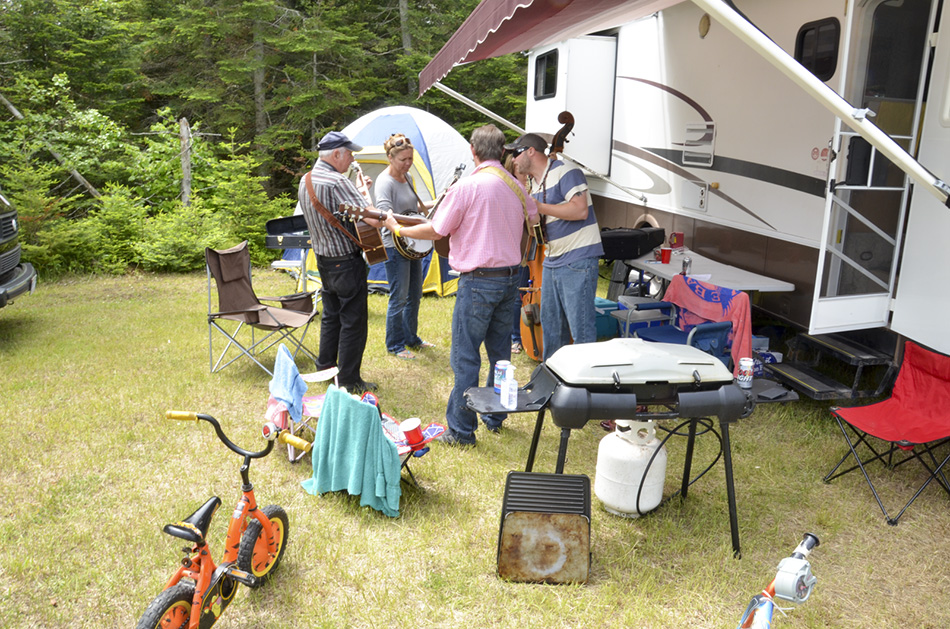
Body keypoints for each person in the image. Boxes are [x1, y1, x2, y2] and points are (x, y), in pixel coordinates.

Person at [383, 124, 538, 446]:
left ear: (473, 151)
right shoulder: (515, 186)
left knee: (466, 357)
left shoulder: (468, 187)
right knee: (500, 355)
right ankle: (495, 416)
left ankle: (461, 431)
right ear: (502, 152)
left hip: (480, 281)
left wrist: (398, 230)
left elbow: (437, 230)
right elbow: (533, 218)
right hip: (511, 279)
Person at [297, 130, 383, 394]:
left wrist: (358, 192)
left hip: (323, 259)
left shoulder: (307, 179)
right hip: (346, 261)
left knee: (332, 316)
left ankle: (324, 366)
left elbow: (334, 210)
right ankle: (349, 379)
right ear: (336, 154)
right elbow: (370, 219)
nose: (352, 158)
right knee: (353, 321)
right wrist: (386, 216)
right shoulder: (337, 181)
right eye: (349, 154)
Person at [508, 132, 604, 360]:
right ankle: (553, 380)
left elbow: (580, 210)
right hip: (552, 259)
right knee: (551, 327)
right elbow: (539, 228)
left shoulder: (566, 171)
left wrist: (539, 207)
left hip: (578, 260)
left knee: (580, 329)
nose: (513, 160)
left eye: (517, 153)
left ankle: (584, 385)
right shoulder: (536, 183)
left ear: (531, 151)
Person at [374, 133, 435, 360]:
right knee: (399, 297)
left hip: (411, 244)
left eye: (410, 159)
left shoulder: (407, 177)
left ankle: (411, 338)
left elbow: (413, 209)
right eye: (403, 160)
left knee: (414, 295)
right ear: (390, 157)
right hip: (395, 245)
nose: (408, 164)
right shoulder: (384, 182)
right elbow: (386, 216)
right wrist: (416, 223)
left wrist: (437, 202)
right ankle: (395, 345)